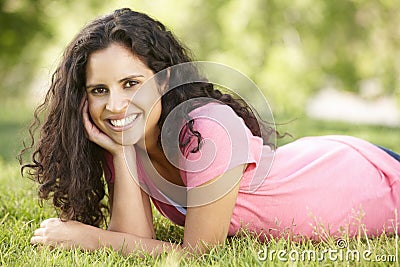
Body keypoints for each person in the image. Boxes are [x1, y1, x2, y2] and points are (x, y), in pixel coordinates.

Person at [20, 8, 400, 256]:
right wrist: (122, 154)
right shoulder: (125, 140)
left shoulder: (207, 129)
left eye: (131, 83)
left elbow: (197, 256)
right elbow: (136, 241)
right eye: (99, 90)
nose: (116, 105)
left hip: (370, 178)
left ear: (165, 79)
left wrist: (87, 236)